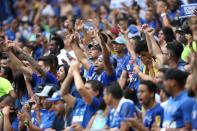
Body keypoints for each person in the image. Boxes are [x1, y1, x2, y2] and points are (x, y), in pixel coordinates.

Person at [60, 61, 103, 129]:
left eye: (87, 89)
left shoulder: (96, 103)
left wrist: (75, 71)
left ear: (96, 92)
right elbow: (63, 93)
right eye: (85, 88)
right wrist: (69, 75)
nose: (84, 90)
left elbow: (80, 88)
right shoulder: (79, 102)